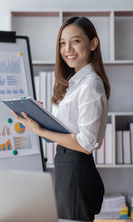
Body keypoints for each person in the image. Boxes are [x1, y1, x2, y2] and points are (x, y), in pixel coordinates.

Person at [12, 16, 110, 221]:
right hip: (65, 166)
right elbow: (67, 131)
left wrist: (41, 131)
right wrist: (42, 118)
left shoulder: (90, 83)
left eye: (76, 41)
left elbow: (85, 143)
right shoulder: (73, 84)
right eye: (62, 43)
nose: (68, 49)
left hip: (77, 168)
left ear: (93, 43)